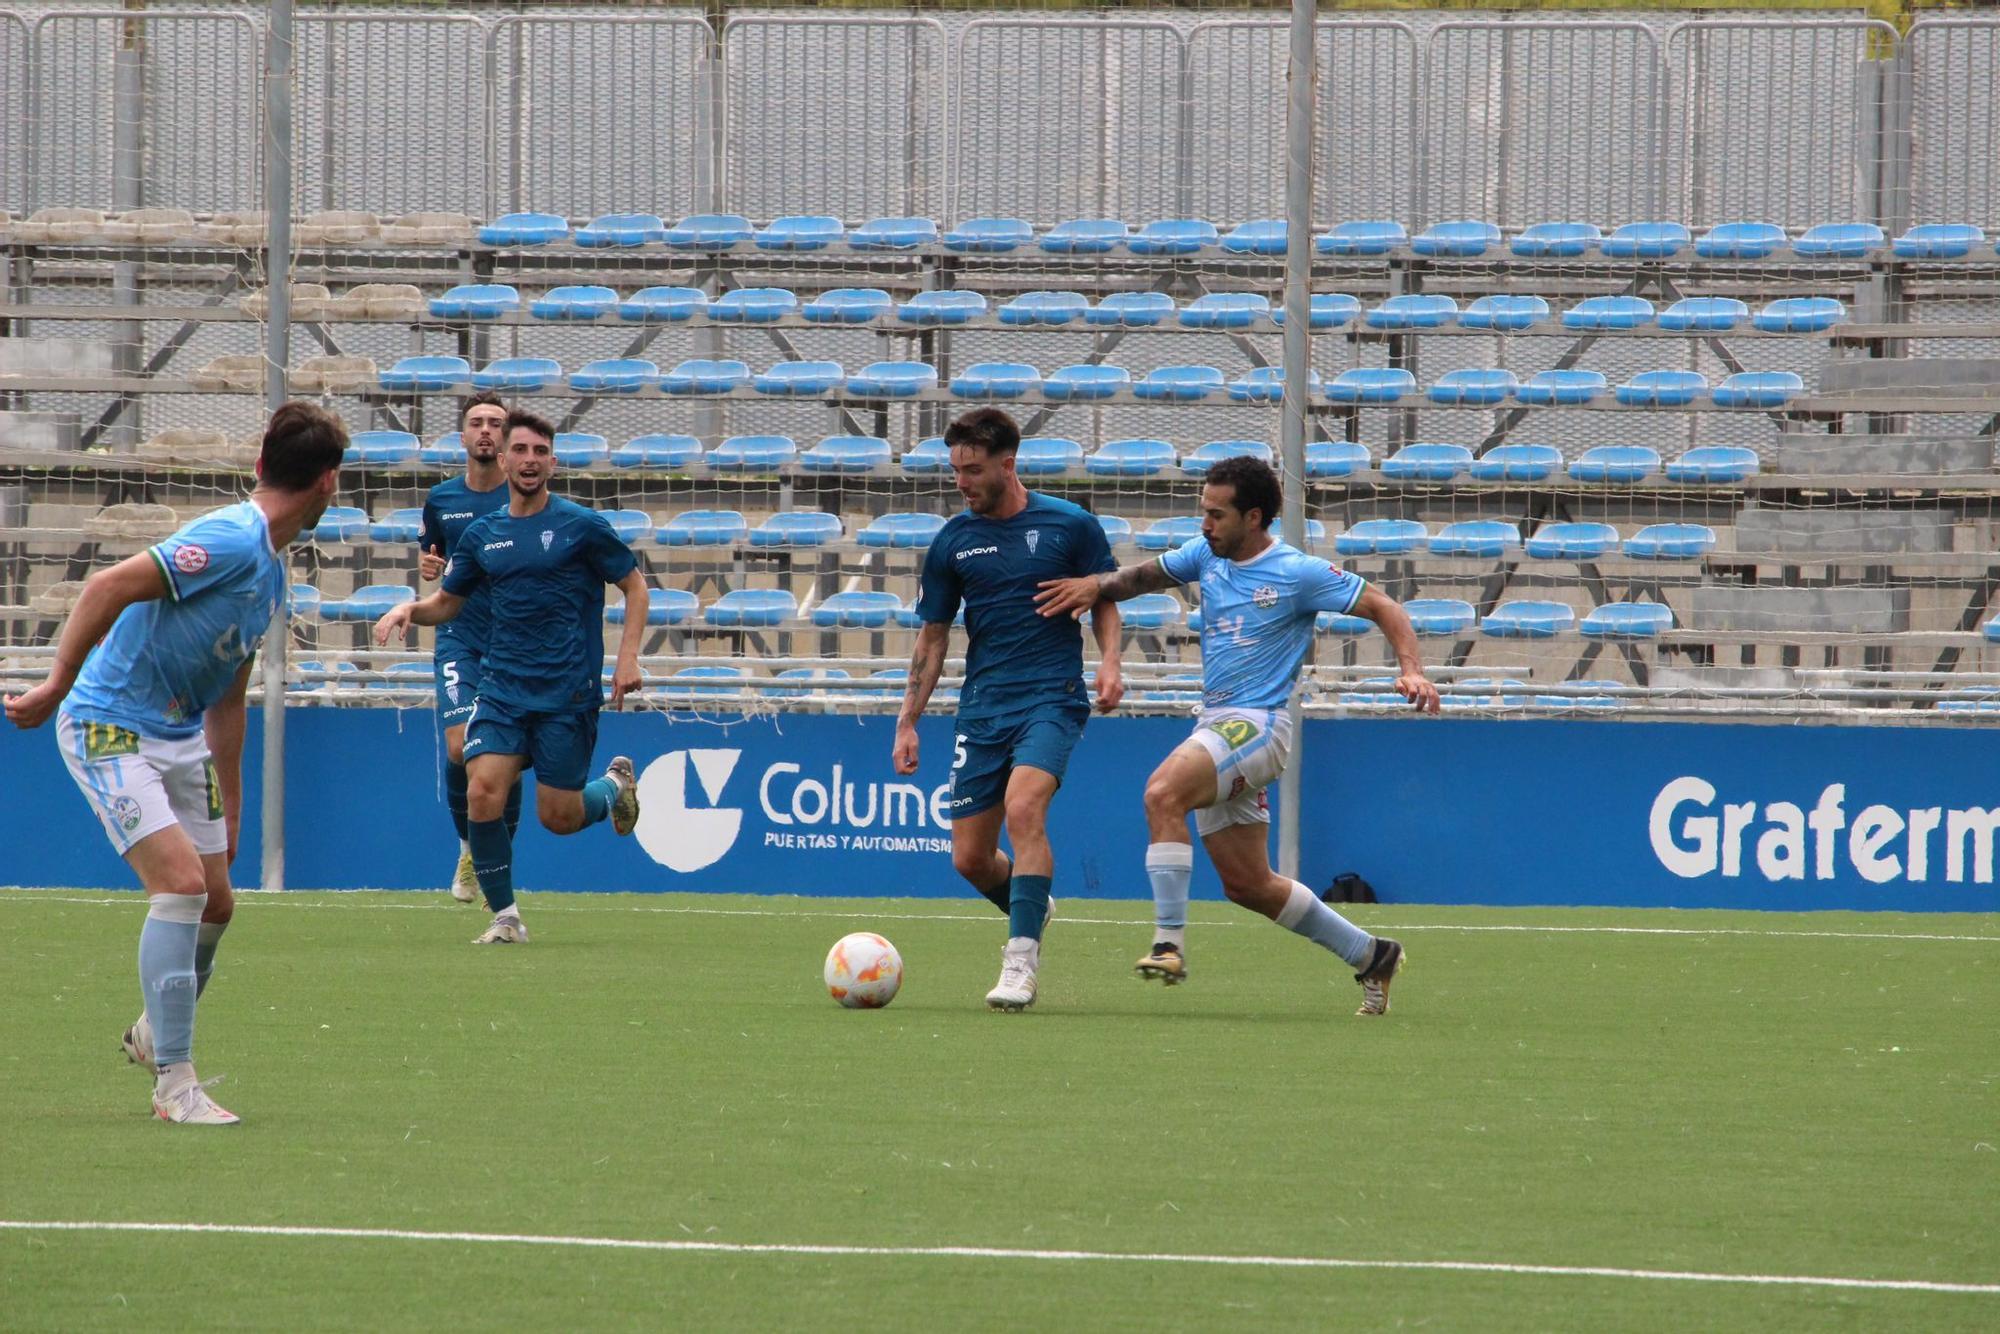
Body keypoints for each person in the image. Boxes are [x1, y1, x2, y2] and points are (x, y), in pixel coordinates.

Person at [4, 402, 347, 1124]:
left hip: (180, 735)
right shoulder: (229, 538)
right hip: (109, 723)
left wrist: (230, 803)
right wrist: (55, 685)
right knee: (182, 887)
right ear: (329, 484)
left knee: (218, 899)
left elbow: (229, 696)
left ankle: (156, 1027)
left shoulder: (273, 579)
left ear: (262, 466)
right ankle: (175, 1084)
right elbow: (105, 586)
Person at [1034, 455, 1440, 1016]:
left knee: (1162, 793)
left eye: (1216, 515)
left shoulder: (1296, 572)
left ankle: (1168, 943)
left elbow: (1384, 606)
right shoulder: (1206, 554)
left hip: (1260, 725)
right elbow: (1139, 579)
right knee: (1248, 884)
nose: (1205, 524)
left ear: (1253, 518)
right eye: (1203, 512)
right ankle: (1372, 955)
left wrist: (1412, 668)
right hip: (1219, 725)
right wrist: (1093, 585)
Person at [375, 409, 649, 945]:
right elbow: (448, 603)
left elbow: (635, 589)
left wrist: (627, 658)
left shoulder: (582, 527)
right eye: (520, 451)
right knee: (482, 790)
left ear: (552, 462)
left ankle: (613, 787)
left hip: (566, 692)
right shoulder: (483, 534)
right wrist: (411, 609)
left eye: (540, 453)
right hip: (502, 688)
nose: (529, 461)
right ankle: (505, 916)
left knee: (560, 817)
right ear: (503, 459)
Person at [892, 407, 1124, 1011]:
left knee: (1024, 807)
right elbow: (933, 637)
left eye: (972, 469)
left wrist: (1110, 661)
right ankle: (1030, 902)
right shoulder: (953, 541)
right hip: (983, 708)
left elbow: (1105, 597)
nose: (961, 481)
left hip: (1051, 697)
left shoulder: (1070, 526)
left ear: (1007, 464)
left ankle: (1019, 963)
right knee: (970, 857)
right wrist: (908, 721)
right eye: (955, 470)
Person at [417, 391, 522, 905]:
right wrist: (431, 573)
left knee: (508, 755)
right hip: (459, 634)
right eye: (476, 422)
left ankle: (494, 857)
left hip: (514, 642)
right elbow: (432, 560)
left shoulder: (524, 499)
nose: (486, 430)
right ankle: (467, 845)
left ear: (507, 437)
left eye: (495, 423)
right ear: (462, 435)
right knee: (461, 747)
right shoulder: (441, 500)